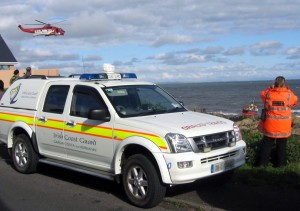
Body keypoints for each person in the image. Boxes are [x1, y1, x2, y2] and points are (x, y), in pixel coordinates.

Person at [258, 76, 298, 167]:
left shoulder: (268, 94)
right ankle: (280, 165)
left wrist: (270, 88)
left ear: (274, 84)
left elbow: (262, 94)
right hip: (283, 127)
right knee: (281, 146)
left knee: (267, 146)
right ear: (284, 84)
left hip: (270, 125)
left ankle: (262, 165)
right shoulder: (288, 94)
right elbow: (295, 100)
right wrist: (287, 89)